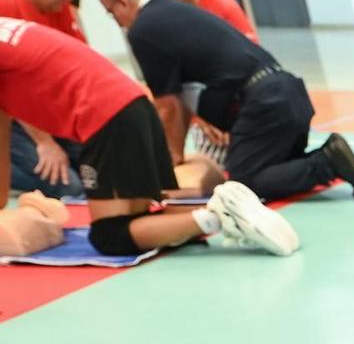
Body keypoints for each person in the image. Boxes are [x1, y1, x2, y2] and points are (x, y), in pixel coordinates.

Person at [0, 15, 298, 257]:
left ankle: (220, 216)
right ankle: (222, 212)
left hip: (106, 117)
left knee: (110, 235)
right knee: (135, 223)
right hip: (133, 106)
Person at [97, 0, 354, 202]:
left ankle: (326, 162)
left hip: (266, 106)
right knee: (274, 168)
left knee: (244, 184)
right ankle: (321, 160)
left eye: (111, 14)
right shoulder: (169, 11)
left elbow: (167, 107)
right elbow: (178, 99)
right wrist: (177, 155)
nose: (118, 22)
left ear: (122, 1)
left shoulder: (144, 29)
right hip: (286, 95)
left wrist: (170, 165)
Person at [0, 0, 83, 199]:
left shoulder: (60, 6)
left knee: (96, 169)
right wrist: (45, 143)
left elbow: (78, 63)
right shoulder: (6, 5)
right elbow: (12, 88)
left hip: (43, 107)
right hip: (13, 113)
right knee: (69, 187)